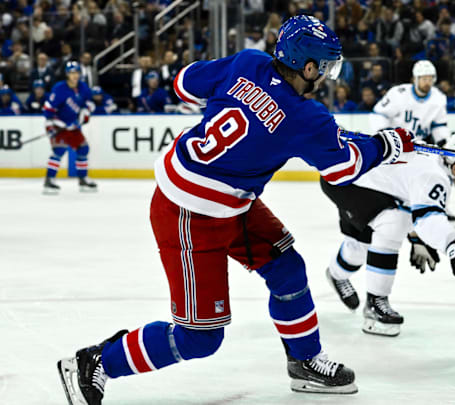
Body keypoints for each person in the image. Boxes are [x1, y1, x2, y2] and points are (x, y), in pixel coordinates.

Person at [57, 15, 414, 404]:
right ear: (308, 67)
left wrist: (242, 104)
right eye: (326, 66)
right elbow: (344, 166)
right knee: (200, 337)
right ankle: (95, 362)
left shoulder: (249, 63)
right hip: (187, 214)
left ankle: (304, 361)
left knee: (287, 267)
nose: (327, 75)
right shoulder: (305, 118)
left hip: (229, 201)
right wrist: (388, 144)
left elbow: (185, 83)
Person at [322, 131, 455, 336]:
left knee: (361, 246)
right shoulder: (434, 174)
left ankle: (336, 275)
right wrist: (454, 246)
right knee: (395, 221)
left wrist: (417, 238)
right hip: (349, 183)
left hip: (350, 180)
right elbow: (426, 217)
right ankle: (375, 302)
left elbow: (408, 195)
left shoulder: (433, 161)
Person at [42, 61, 97, 194]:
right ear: (67, 74)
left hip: (72, 127)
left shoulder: (83, 87)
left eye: (76, 72)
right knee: (59, 151)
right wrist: (56, 123)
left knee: (83, 149)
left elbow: (90, 103)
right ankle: (49, 180)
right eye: (72, 73)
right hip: (57, 126)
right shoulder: (59, 88)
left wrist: (86, 111)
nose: (75, 75)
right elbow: (48, 109)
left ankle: (83, 179)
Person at [370, 60, 449, 144]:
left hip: (421, 145)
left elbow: (439, 125)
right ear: (415, 79)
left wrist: (443, 141)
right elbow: (378, 115)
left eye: (430, 79)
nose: (427, 83)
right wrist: (387, 135)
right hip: (397, 144)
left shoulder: (439, 98)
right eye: (424, 79)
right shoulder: (398, 93)